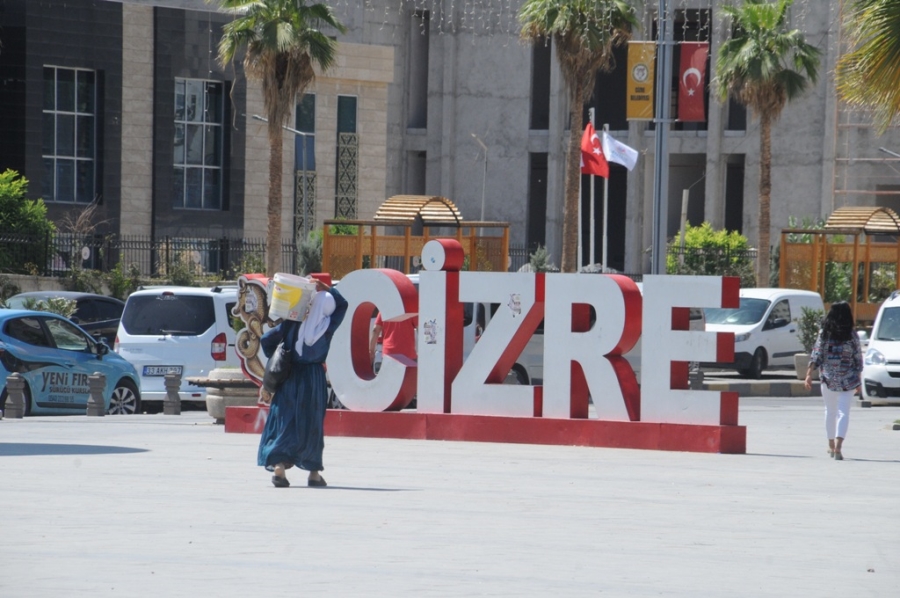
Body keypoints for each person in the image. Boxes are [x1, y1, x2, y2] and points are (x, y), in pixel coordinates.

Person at [258, 278, 348, 487]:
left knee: (284, 420)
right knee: (312, 423)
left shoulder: (294, 322)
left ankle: (279, 468)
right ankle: (314, 474)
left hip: (289, 376)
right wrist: (328, 289)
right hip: (313, 379)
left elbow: (266, 340)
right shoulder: (328, 326)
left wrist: (278, 357)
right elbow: (343, 305)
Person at [804, 301, 862, 461]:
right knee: (844, 412)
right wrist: (858, 378)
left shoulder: (824, 333)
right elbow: (857, 357)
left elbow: (817, 353)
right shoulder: (852, 334)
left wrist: (809, 373)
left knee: (830, 411)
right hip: (848, 379)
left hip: (828, 378)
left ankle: (830, 444)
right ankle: (838, 447)